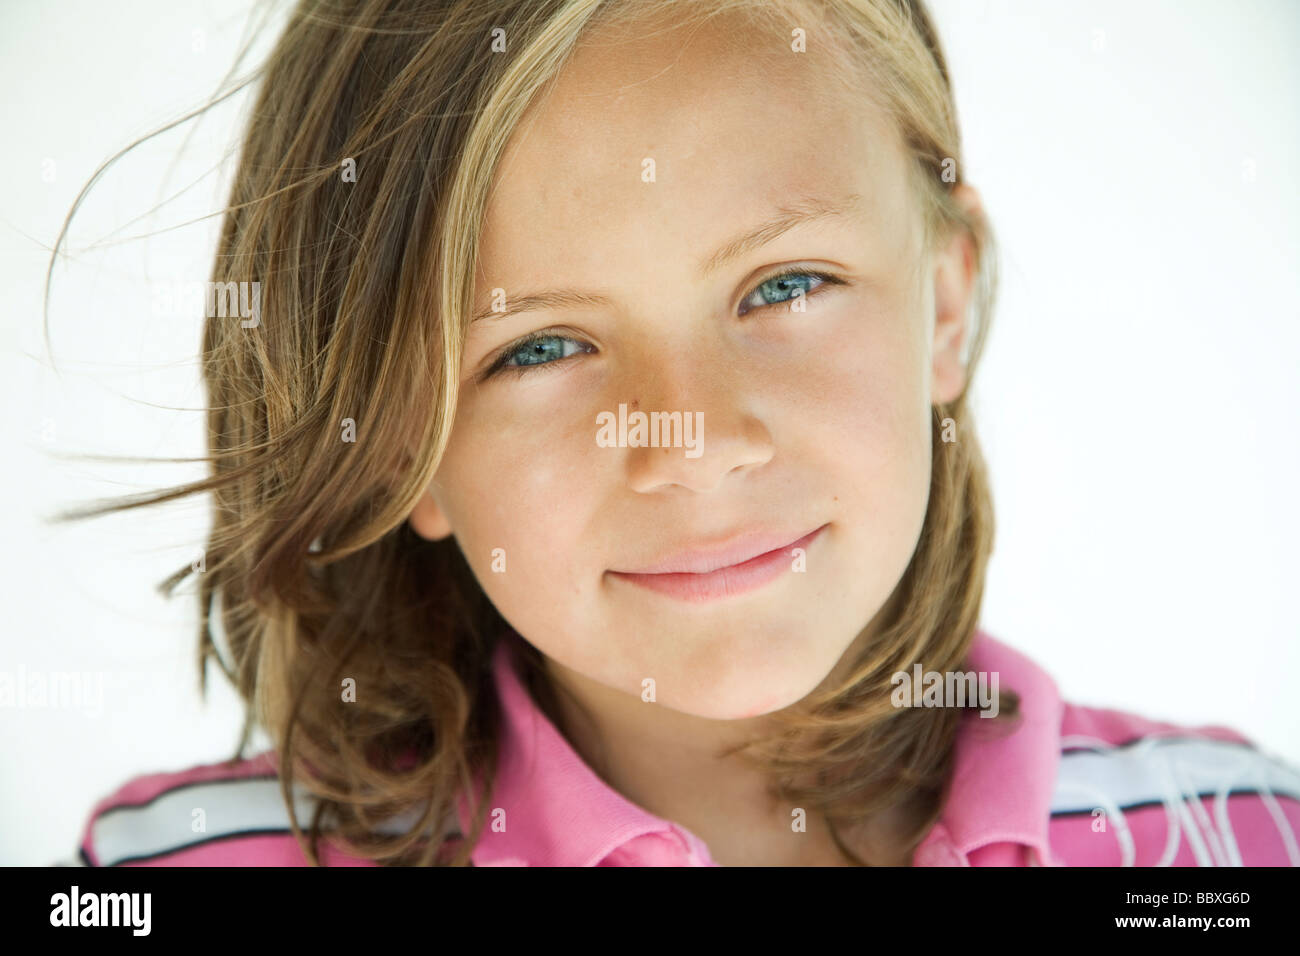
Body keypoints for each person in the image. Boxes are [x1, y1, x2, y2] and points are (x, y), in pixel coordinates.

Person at [61, 0, 1300, 866]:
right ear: (397, 443)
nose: (693, 442)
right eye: (538, 347)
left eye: (784, 285)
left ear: (942, 299)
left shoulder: (1243, 833)